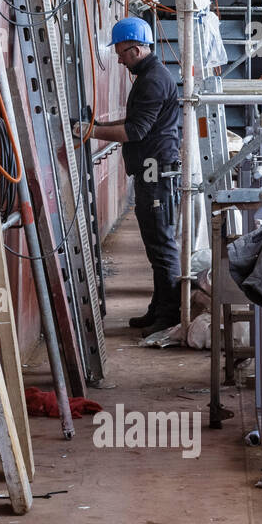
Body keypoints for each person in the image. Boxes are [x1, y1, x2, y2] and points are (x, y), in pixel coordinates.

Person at [73, 17, 182, 335]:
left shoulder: (152, 81)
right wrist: (95, 127)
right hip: (152, 172)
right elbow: (133, 121)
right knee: (155, 244)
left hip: (156, 174)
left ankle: (169, 315)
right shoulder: (150, 76)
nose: (119, 60)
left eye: (121, 53)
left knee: (161, 245)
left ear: (135, 49)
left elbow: (134, 131)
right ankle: (159, 308)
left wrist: (91, 132)